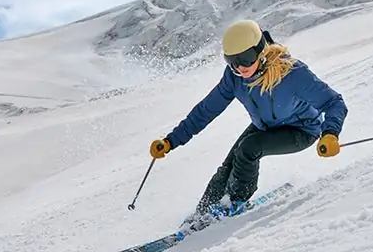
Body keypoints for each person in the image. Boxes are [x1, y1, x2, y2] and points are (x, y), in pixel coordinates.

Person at [149, 19, 348, 230]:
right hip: (267, 126)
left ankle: (234, 203)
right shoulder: (235, 78)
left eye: (245, 59)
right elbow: (207, 110)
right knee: (229, 164)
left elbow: (334, 102)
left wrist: (330, 133)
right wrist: (171, 141)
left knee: (248, 148)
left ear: (260, 51)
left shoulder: (292, 73)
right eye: (232, 61)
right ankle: (203, 212)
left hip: (302, 130)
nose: (240, 67)